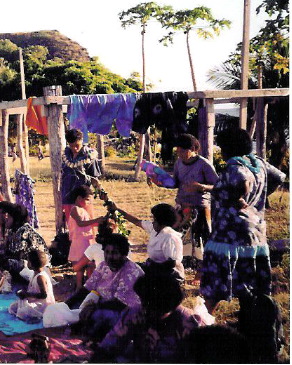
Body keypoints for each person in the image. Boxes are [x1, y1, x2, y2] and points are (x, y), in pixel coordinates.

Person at [200, 128, 286, 314]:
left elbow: (240, 181)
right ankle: (250, 322)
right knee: (250, 283)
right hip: (255, 231)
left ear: (228, 148)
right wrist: (258, 198)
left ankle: (204, 321)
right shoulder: (259, 163)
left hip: (229, 234)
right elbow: (280, 177)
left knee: (216, 284)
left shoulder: (234, 167)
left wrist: (237, 198)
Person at [92, 272, 204, 363]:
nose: (145, 310)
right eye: (144, 303)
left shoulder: (188, 324)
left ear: (168, 306)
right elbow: (108, 347)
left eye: (152, 307)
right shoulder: (134, 313)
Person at [153, 133, 218, 268]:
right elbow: (176, 182)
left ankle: (202, 272)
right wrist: (160, 182)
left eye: (183, 151)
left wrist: (201, 187)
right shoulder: (179, 163)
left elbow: (218, 186)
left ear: (194, 149)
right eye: (178, 151)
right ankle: (184, 267)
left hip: (199, 208)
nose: (180, 154)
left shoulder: (204, 164)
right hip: (182, 207)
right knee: (180, 240)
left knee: (201, 241)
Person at [65, 233, 144, 341]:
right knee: (76, 308)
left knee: (95, 316)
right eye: (106, 252)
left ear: (124, 254)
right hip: (107, 305)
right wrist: (65, 305)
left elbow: (119, 303)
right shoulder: (103, 266)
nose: (109, 256)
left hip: (129, 313)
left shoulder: (131, 271)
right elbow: (86, 288)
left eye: (114, 253)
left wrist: (94, 308)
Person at [109, 201, 184, 279]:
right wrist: (117, 210)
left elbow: (172, 264)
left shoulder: (170, 237)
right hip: (155, 270)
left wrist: (149, 268)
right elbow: (136, 221)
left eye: (154, 220)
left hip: (168, 276)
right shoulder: (154, 229)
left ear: (161, 221)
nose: (152, 222)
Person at [0, 202, 50, 280]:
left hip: (36, 267)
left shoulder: (24, 232)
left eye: (9, 216)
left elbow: (19, 257)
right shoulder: (13, 230)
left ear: (16, 219)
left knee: (7, 264)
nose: (6, 218)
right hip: (26, 264)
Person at [67, 186, 108, 288]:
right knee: (80, 268)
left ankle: (87, 287)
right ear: (79, 198)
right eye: (87, 200)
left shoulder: (83, 210)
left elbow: (88, 224)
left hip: (86, 241)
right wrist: (95, 220)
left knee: (89, 266)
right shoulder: (75, 209)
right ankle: (79, 288)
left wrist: (102, 221)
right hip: (79, 241)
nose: (89, 203)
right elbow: (80, 223)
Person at [61, 129, 102, 229]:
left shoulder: (89, 156)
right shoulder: (65, 155)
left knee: (86, 225)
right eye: (71, 146)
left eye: (77, 145)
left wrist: (100, 190)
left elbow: (94, 178)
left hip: (83, 198)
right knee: (72, 227)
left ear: (82, 141)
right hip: (68, 196)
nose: (74, 149)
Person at [8, 249, 56, 322]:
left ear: (33, 263)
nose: (27, 263)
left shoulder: (41, 277)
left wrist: (27, 294)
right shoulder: (34, 274)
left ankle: (38, 316)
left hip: (43, 305)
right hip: (34, 300)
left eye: (29, 261)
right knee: (12, 307)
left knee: (23, 312)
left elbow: (44, 295)